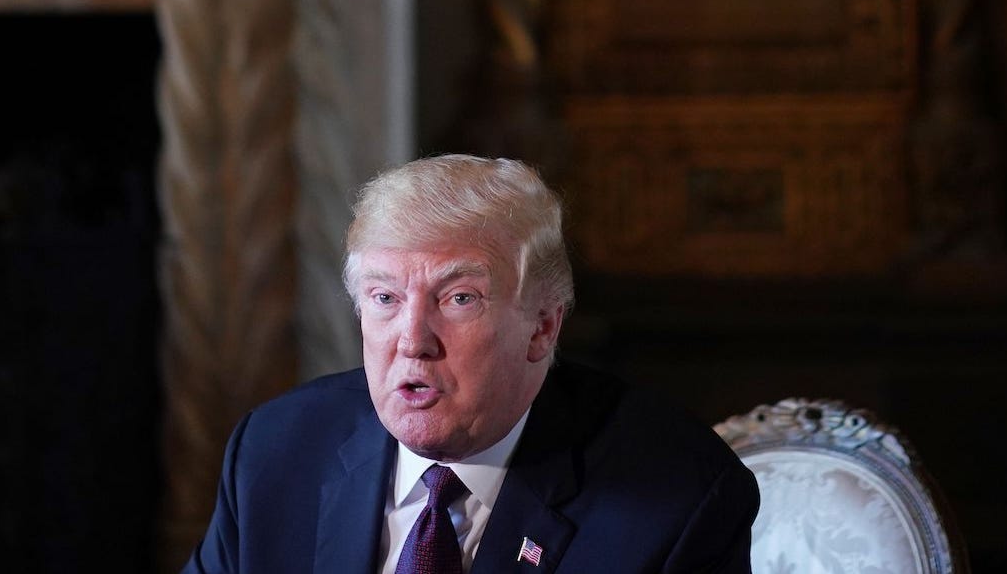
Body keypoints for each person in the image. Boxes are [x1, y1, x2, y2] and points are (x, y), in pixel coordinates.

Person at [181, 154, 759, 573]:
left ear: (542, 327)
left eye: (459, 299)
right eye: (385, 299)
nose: (413, 341)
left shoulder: (678, 498)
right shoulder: (278, 451)